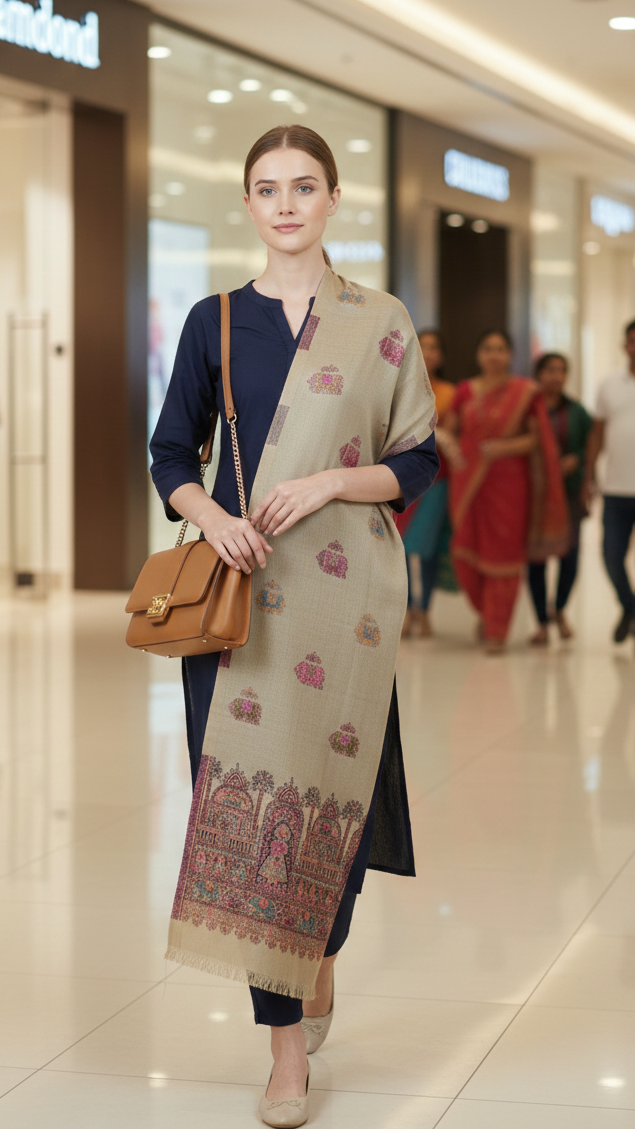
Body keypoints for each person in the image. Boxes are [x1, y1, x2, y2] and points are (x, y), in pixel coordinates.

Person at [149, 124, 439, 1128]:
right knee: (251, 828)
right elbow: (168, 456)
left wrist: (323, 479)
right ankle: (282, 1053)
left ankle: (314, 957)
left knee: (335, 825)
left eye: (302, 185)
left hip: (344, 606)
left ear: (331, 199)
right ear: (245, 204)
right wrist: (213, 516)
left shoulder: (380, 321)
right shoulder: (214, 320)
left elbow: (415, 459)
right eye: (266, 187)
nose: (284, 203)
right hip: (239, 609)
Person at [446, 329, 568, 654]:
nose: (494, 355)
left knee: (503, 556)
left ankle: (497, 629)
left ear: (511, 355)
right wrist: (453, 450)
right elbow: (448, 430)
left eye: (500, 349)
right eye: (488, 348)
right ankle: (485, 612)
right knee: (465, 551)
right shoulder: (465, 391)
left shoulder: (525, 392)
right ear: (478, 354)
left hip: (509, 483)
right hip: (468, 482)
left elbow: (536, 440)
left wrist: (502, 448)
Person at [396, 330, 458, 637]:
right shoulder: (400, 385)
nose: (429, 352)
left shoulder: (450, 392)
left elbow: (454, 434)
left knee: (428, 547)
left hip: (436, 480)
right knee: (403, 547)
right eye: (424, 345)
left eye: (435, 347)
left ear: (442, 356)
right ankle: (407, 610)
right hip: (403, 478)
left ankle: (425, 610)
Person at [527, 353, 593, 644]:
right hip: (536, 495)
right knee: (536, 559)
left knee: (571, 557)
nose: (556, 376)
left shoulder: (577, 411)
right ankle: (541, 622)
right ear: (538, 374)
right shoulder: (528, 407)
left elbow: (589, 446)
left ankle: (560, 609)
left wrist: (576, 461)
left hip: (568, 493)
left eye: (561, 371)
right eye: (550, 370)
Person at [584, 320, 635, 643]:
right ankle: (630, 606)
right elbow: (597, 434)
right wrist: (590, 474)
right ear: (624, 345)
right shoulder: (609, 385)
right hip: (617, 489)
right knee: (611, 556)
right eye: (632, 341)